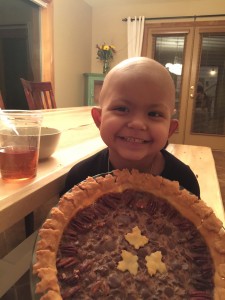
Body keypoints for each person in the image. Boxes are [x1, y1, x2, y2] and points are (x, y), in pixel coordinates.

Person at [63, 57, 200, 198]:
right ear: (99, 119)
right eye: (122, 109)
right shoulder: (80, 180)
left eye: (154, 113)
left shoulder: (184, 184)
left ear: (170, 129)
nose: (137, 123)